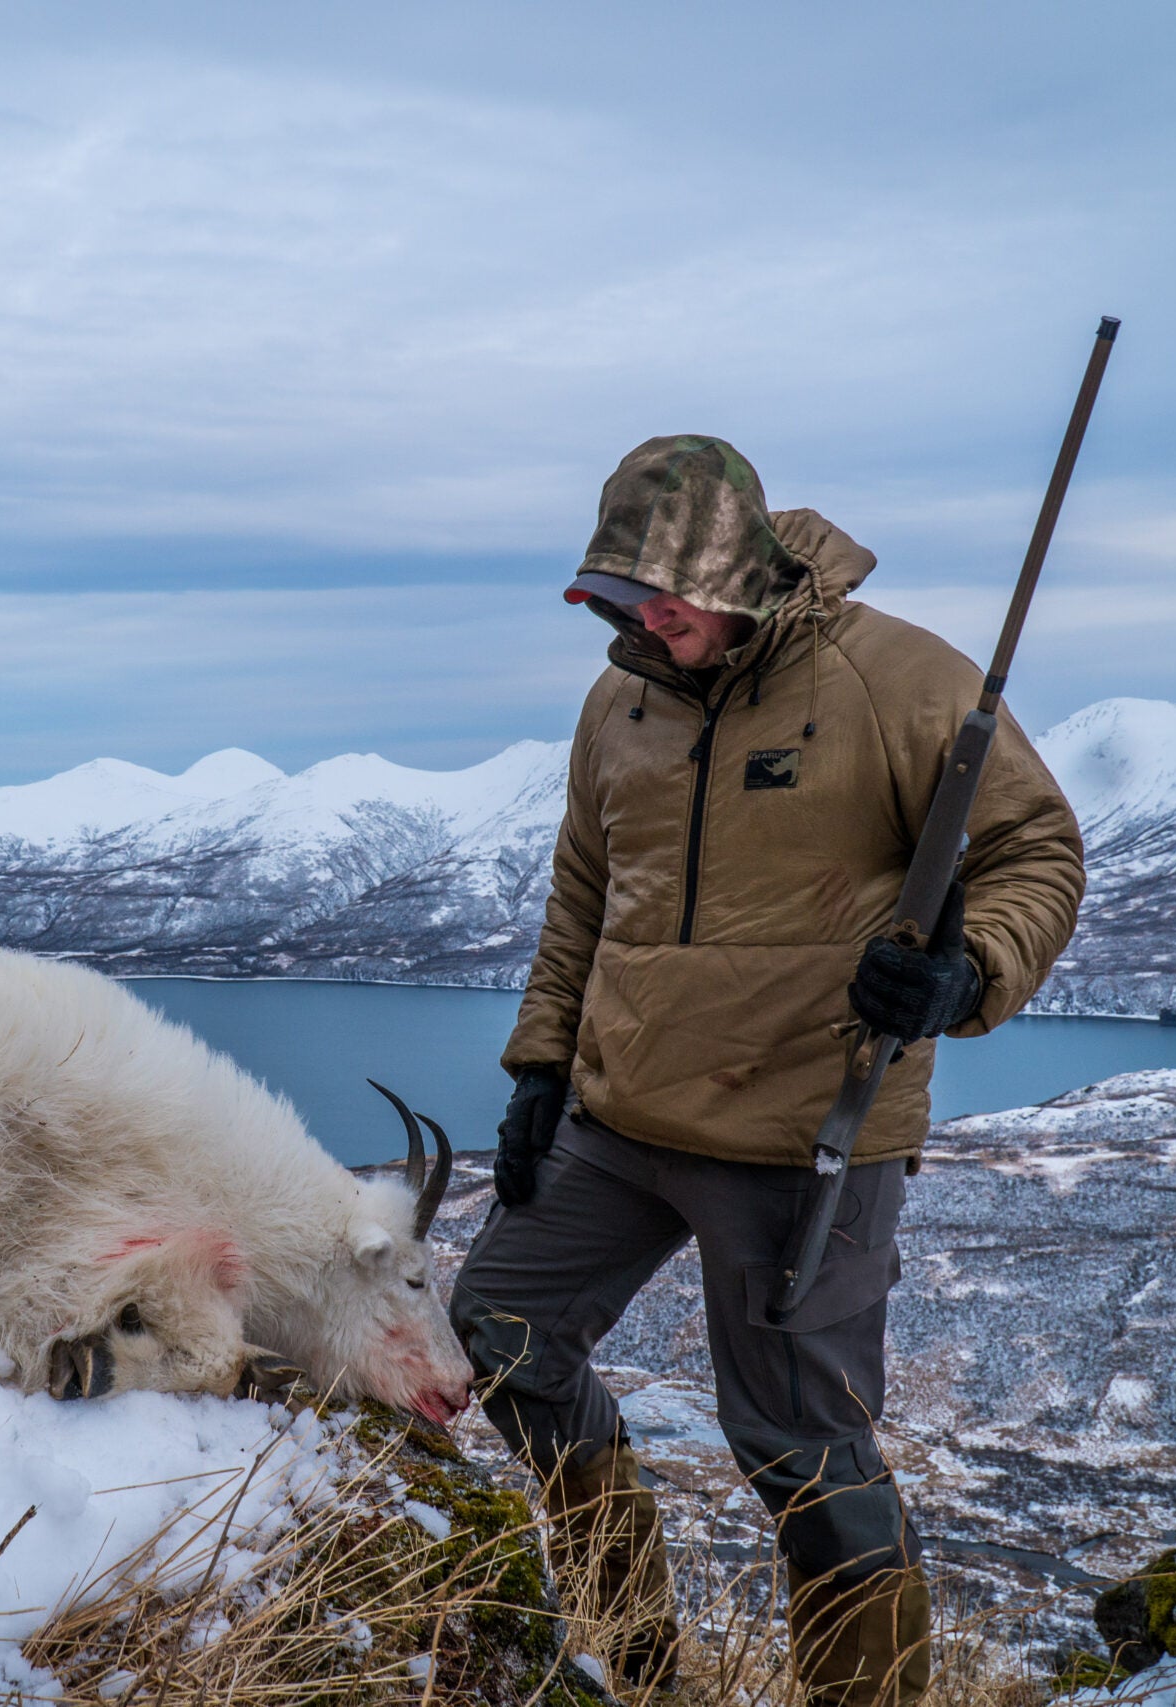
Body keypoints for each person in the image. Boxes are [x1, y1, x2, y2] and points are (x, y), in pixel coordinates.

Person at [450, 435, 1085, 1706]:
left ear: (733, 573)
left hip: (807, 1135)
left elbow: (1036, 852)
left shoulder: (897, 678)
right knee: (500, 1337)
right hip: (618, 1118)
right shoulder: (618, 704)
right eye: (620, 600)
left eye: (663, 602)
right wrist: (539, 1070)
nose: (642, 625)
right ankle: (631, 1651)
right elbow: (583, 899)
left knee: (804, 1456)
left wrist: (964, 974)